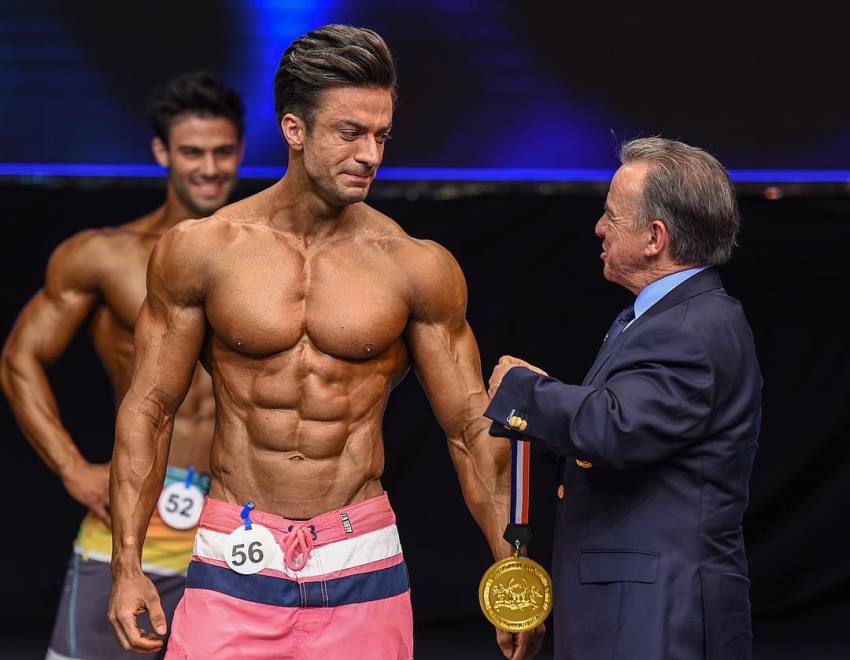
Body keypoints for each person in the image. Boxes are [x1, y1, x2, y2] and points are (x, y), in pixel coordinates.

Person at [106, 25, 543, 660]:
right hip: (236, 546)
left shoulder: (414, 266)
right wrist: (127, 564)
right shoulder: (203, 251)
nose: (371, 153)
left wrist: (514, 574)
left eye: (382, 135)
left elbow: (468, 430)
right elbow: (149, 408)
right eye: (350, 132)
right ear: (294, 130)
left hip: (360, 550)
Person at [0, 71, 245, 660]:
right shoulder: (106, 256)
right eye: (192, 152)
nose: (209, 168)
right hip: (138, 516)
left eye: (223, 151)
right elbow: (19, 359)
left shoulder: (269, 259)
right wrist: (71, 469)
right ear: (162, 151)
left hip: (239, 524)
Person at [487, 137, 761, 660]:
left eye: (612, 216)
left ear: (655, 237)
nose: (599, 227)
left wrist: (523, 392)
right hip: (635, 607)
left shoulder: (691, 327)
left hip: (656, 616)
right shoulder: (667, 317)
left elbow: (617, 428)